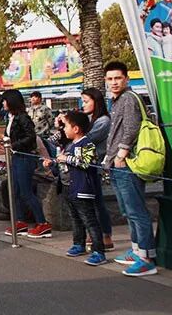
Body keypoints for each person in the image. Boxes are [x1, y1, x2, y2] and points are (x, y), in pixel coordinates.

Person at [104, 61, 158, 276]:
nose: (114, 82)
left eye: (118, 78)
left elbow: (131, 127)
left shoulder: (128, 98)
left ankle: (146, 257)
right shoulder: (118, 100)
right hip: (119, 163)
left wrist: (121, 154)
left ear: (126, 79)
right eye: (110, 79)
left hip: (128, 162)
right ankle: (137, 251)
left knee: (135, 211)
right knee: (129, 210)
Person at [44, 111, 107, 266]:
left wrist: (67, 159)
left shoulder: (87, 144)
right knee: (75, 218)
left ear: (76, 129)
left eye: (66, 126)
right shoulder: (70, 145)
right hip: (70, 188)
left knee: (89, 220)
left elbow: (87, 163)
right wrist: (53, 163)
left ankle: (99, 251)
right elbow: (64, 165)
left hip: (83, 188)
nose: (64, 130)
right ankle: (78, 243)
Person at [2, 89, 53, 238]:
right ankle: (20, 221)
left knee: (26, 191)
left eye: (5, 100)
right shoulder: (11, 117)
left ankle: (42, 223)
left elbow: (31, 137)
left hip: (25, 157)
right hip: (16, 156)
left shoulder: (23, 117)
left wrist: (14, 145)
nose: (3, 103)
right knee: (15, 190)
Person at [80, 87, 114, 251]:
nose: (83, 105)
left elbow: (87, 139)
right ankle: (96, 234)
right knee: (91, 202)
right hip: (86, 165)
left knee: (97, 202)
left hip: (95, 166)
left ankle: (105, 235)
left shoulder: (103, 121)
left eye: (86, 101)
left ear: (96, 101)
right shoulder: (90, 119)